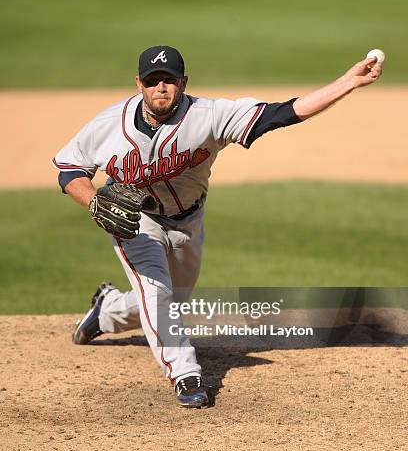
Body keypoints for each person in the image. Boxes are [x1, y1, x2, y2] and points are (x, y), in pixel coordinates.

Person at [53, 45, 383, 408]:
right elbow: (70, 169)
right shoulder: (107, 124)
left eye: (169, 80)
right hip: (136, 220)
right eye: (152, 80)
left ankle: (108, 310)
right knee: (156, 293)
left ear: (184, 82)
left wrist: (348, 82)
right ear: (138, 83)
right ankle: (184, 374)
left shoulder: (209, 115)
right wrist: (96, 201)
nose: (160, 87)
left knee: (170, 301)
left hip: (188, 221)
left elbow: (284, 113)